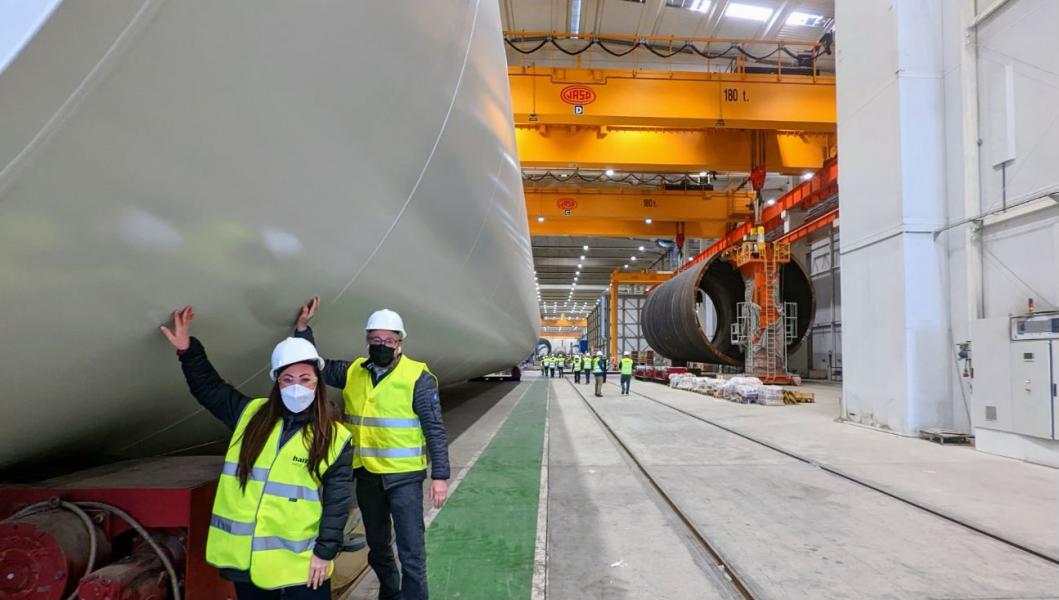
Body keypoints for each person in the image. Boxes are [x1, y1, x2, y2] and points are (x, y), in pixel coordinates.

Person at [160, 306, 352, 599]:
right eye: (288, 379)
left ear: (318, 383)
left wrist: (325, 553)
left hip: (304, 561)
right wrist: (188, 350)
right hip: (247, 558)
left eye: (305, 378)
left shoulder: (334, 437)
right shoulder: (250, 415)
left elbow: (338, 503)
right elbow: (210, 389)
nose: (296, 387)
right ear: (277, 381)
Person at [293, 297, 448, 600]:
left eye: (389, 340)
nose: (382, 345)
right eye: (376, 339)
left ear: (400, 343)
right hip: (366, 476)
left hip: (404, 477)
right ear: (367, 342)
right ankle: (391, 594)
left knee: (411, 550)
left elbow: (434, 428)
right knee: (378, 548)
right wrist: (302, 330)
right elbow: (314, 367)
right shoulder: (353, 372)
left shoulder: (418, 377)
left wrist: (440, 476)